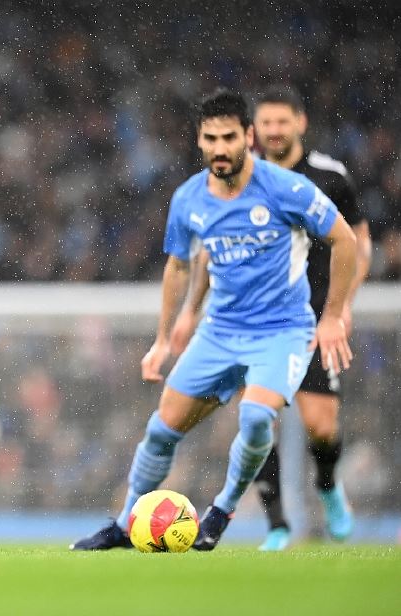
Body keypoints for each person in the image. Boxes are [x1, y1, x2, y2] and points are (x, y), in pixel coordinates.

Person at [71, 88, 357, 551]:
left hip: (281, 332)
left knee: (257, 415)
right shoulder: (188, 199)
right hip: (220, 332)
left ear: (248, 137)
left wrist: (334, 315)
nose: (220, 148)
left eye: (229, 137)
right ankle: (124, 525)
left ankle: (221, 511)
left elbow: (346, 240)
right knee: (161, 430)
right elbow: (179, 265)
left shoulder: (285, 188)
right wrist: (165, 336)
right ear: (199, 141)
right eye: (211, 138)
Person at [170, 86, 371, 550]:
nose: (274, 130)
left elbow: (357, 242)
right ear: (252, 130)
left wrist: (341, 308)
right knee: (257, 420)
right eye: (266, 123)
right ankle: (278, 524)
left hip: (313, 319)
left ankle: (327, 485)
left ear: (300, 123)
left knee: (322, 425)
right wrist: (189, 312)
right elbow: (207, 252)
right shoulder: (236, 178)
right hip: (252, 323)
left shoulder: (329, 177)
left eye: (283, 121)